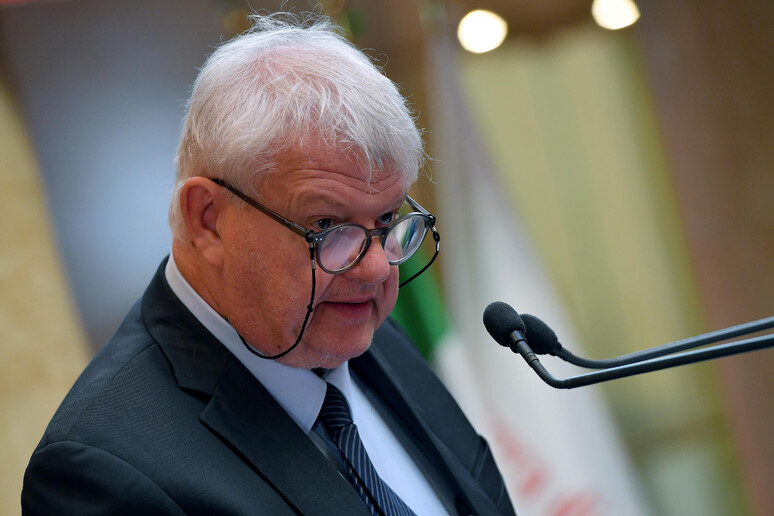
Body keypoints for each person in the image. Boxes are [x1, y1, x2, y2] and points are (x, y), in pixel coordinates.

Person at [22, 12, 515, 516]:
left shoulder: (361, 330)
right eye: (326, 225)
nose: (375, 270)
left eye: (388, 218)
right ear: (208, 220)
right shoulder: (99, 472)